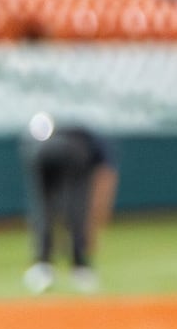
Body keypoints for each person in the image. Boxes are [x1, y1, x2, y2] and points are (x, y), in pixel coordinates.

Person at [19, 113, 117, 293]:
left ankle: (42, 267)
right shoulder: (94, 140)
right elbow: (106, 180)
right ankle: (80, 267)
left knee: (44, 209)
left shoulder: (68, 128)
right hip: (72, 150)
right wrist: (94, 224)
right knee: (76, 208)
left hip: (39, 146)